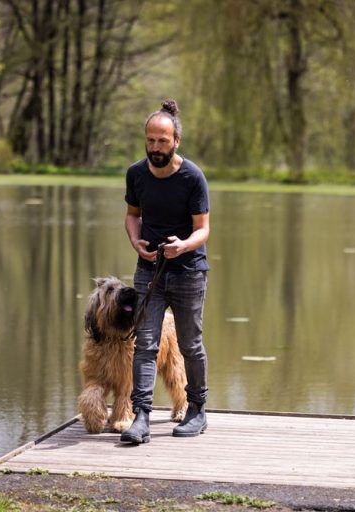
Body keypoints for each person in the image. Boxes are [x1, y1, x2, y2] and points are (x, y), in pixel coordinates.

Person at [120, 99, 210, 444]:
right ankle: (140, 416)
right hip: (149, 270)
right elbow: (132, 215)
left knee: (190, 345)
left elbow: (203, 229)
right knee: (145, 343)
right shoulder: (136, 173)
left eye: (163, 140)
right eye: (151, 140)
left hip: (189, 271)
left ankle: (197, 410)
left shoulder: (192, 177)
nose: (156, 147)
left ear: (176, 141)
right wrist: (134, 240)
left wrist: (183, 245)